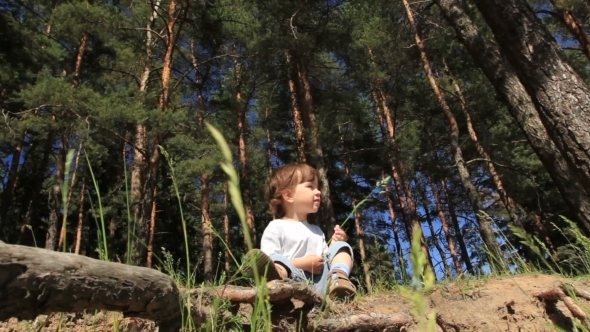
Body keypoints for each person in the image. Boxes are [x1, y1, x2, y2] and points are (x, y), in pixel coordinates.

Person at [242, 163, 356, 300]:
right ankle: (275, 281)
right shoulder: (276, 227)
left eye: (318, 187)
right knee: (277, 260)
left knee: (342, 247)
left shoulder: (317, 230)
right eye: (310, 187)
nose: (318, 192)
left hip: (321, 284)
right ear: (289, 195)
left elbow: (325, 257)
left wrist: (336, 243)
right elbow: (269, 260)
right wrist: (304, 264)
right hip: (292, 281)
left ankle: (338, 280)